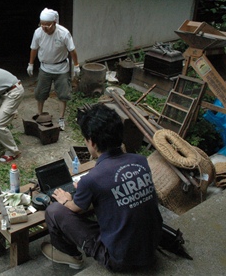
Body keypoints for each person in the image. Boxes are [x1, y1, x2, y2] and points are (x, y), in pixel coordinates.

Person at [42, 103, 163, 271]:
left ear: (91, 142)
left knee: (54, 211)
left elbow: (75, 208)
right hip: (151, 247)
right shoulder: (140, 161)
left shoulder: (92, 180)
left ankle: (69, 255)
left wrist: (65, 200)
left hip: (120, 259)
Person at [27, 7, 80, 131]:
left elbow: (72, 50)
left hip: (61, 68)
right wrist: (31, 64)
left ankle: (61, 118)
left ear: (55, 22)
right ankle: (40, 115)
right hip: (45, 67)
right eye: (42, 24)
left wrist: (76, 65)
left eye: (47, 25)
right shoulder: (38, 32)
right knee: (40, 93)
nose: (44, 27)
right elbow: (34, 48)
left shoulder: (63, 33)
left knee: (63, 95)